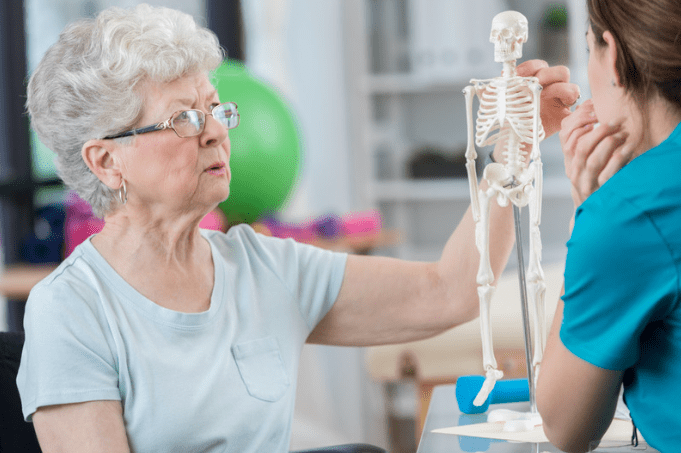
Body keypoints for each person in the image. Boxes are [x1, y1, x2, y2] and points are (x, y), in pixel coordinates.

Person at [16, 4, 578, 453]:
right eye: (186, 117)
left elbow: (449, 291)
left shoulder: (262, 266)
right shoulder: (70, 310)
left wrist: (514, 152)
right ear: (106, 161)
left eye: (215, 108)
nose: (215, 131)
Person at [536, 0, 681, 451]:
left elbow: (566, 428)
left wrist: (591, 213)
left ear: (613, 56)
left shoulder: (629, 212)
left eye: (588, 50)